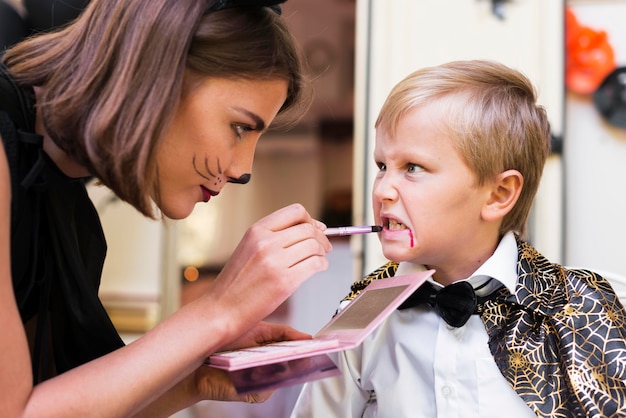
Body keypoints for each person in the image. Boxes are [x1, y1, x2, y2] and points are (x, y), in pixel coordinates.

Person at [0, 0, 335, 416]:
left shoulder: (66, 208)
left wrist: (195, 379)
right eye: (239, 127)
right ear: (156, 75)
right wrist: (218, 312)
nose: (241, 170)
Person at [291, 60, 626, 417]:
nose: (383, 190)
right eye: (381, 166)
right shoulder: (358, 319)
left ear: (499, 194)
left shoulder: (602, 307)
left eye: (413, 168)